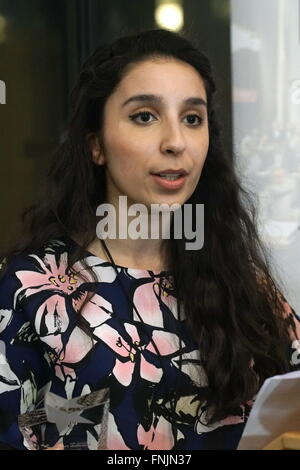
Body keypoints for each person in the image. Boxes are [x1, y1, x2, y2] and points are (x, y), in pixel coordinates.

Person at [0, 28, 299, 451]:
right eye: (145, 116)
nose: (176, 142)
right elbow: (20, 426)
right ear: (96, 144)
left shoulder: (243, 282)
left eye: (192, 119)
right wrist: (82, 414)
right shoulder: (32, 289)